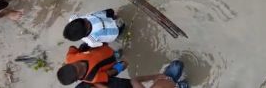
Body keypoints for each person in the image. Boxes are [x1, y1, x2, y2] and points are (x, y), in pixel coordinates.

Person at [58, 48, 190, 88]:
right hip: (130, 85)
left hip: (123, 82)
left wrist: (118, 67)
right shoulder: (93, 78)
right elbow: (135, 80)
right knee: (175, 70)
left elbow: (108, 75)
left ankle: (176, 83)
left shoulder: (90, 81)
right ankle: (177, 85)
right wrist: (156, 76)